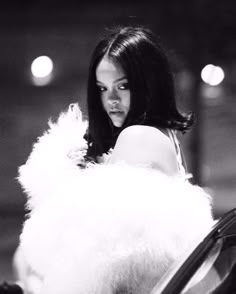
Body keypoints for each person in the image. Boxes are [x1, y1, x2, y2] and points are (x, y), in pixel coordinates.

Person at [13, 25, 214, 294]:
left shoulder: (138, 137)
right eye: (102, 88)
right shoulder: (165, 136)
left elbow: (102, 261)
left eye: (123, 86)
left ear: (149, 83)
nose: (111, 99)